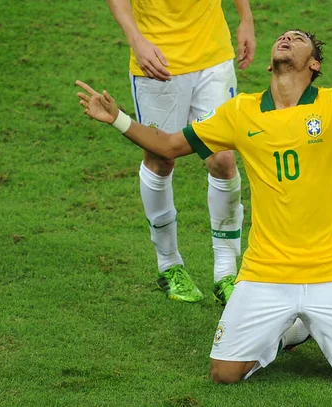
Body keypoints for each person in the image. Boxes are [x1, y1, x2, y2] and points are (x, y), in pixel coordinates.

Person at [76, 29, 332, 388]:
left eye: (297, 39)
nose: (286, 39)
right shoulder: (240, 111)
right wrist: (117, 118)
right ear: (269, 62)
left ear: (313, 64)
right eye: (282, 37)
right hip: (265, 271)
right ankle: (296, 330)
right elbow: (168, 146)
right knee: (224, 374)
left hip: (330, 269)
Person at [105, 0, 256, 304]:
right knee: (161, 159)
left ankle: (226, 273)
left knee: (224, 159)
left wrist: (246, 18)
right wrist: (136, 40)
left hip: (213, 55)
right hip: (158, 59)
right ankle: (169, 265)